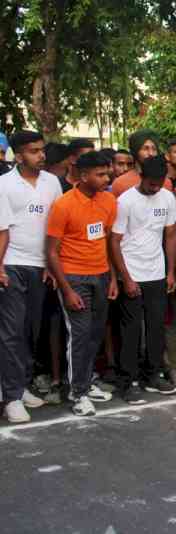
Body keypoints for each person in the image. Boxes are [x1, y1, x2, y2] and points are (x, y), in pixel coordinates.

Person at [46, 151, 119, 416]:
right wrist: (66, 289)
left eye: (106, 173)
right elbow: (51, 251)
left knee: (94, 335)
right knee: (79, 335)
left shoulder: (109, 201)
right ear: (83, 175)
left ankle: (86, 384)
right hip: (74, 278)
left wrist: (111, 278)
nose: (106, 178)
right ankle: (77, 394)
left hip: (101, 276)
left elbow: (107, 241)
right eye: (100, 174)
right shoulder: (64, 205)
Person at [0, 131, 62, 423]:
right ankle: (11, 397)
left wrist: (53, 262)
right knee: (11, 332)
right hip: (11, 264)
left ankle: (22, 385)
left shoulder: (52, 183)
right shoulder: (4, 185)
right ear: (19, 155)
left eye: (42, 150)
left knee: (30, 331)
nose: (41, 155)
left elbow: (56, 227)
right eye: (34, 151)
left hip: (42, 266)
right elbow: (2, 231)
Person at [109, 155, 176, 404]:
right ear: (141, 176)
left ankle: (153, 375)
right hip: (132, 274)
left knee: (156, 327)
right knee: (130, 331)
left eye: (159, 182)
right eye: (151, 183)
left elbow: (171, 235)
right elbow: (114, 242)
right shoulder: (125, 201)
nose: (155, 187)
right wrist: (125, 278)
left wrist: (171, 271)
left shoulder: (167, 198)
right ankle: (127, 382)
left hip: (157, 274)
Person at [111, 129, 174, 197]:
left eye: (154, 149)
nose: (151, 153)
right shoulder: (120, 183)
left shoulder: (166, 182)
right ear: (135, 151)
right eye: (145, 149)